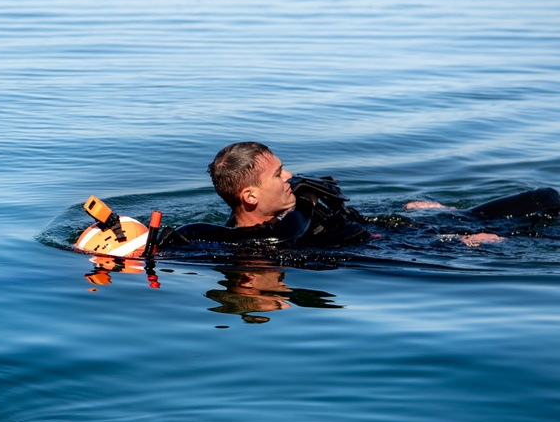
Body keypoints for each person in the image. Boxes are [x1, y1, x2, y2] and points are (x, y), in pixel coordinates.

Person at [160, 141, 559, 251]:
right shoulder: (236, 240)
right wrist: (453, 245)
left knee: (545, 195)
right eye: (279, 174)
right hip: (422, 245)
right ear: (249, 196)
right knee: (530, 214)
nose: (292, 176)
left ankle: (448, 215)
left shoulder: (271, 218)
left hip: (397, 228)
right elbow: (279, 238)